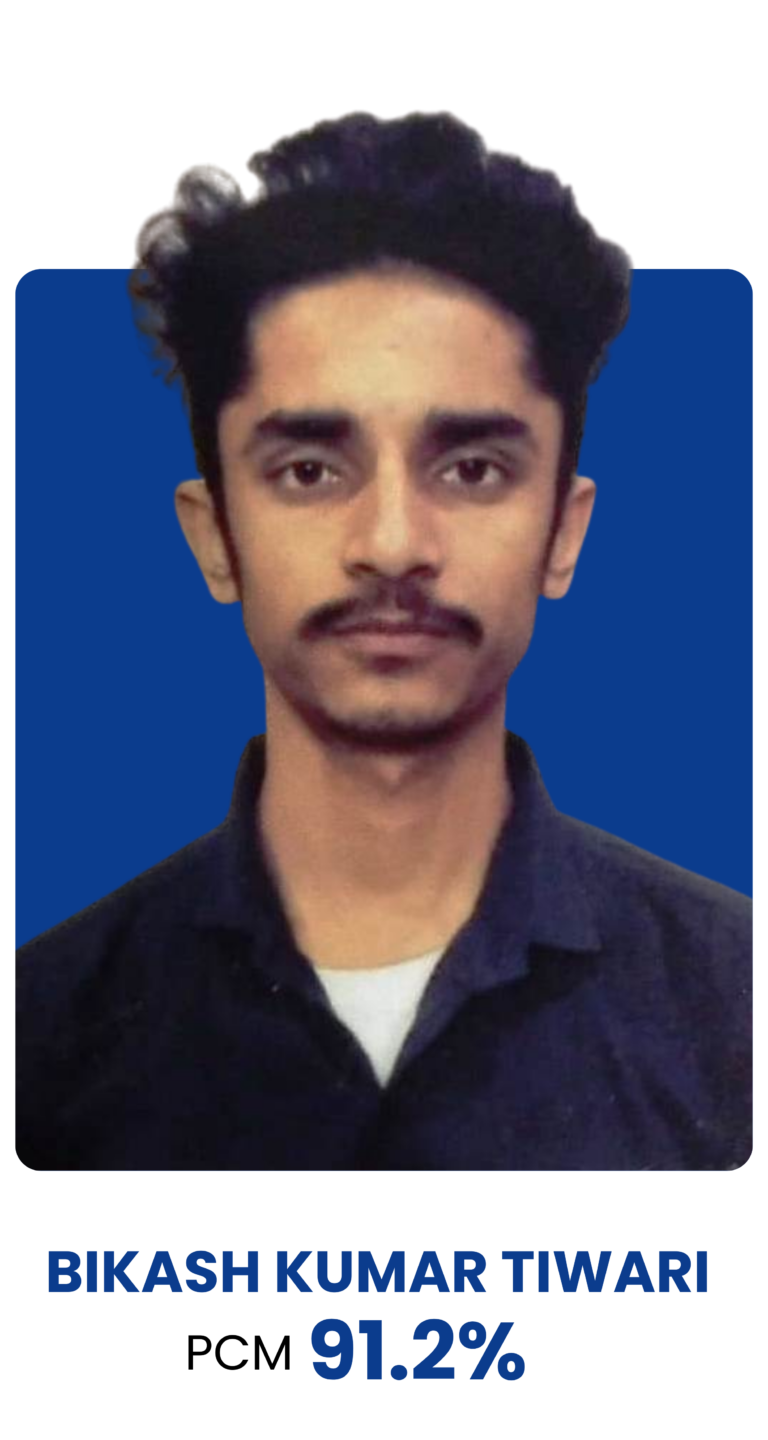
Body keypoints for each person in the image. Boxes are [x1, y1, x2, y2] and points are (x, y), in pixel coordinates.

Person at [15, 109, 752, 1171]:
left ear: (564, 529)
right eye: (310, 470)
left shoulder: (734, 1014)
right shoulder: (40, 1043)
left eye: (473, 468)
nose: (395, 544)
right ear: (214, 536)